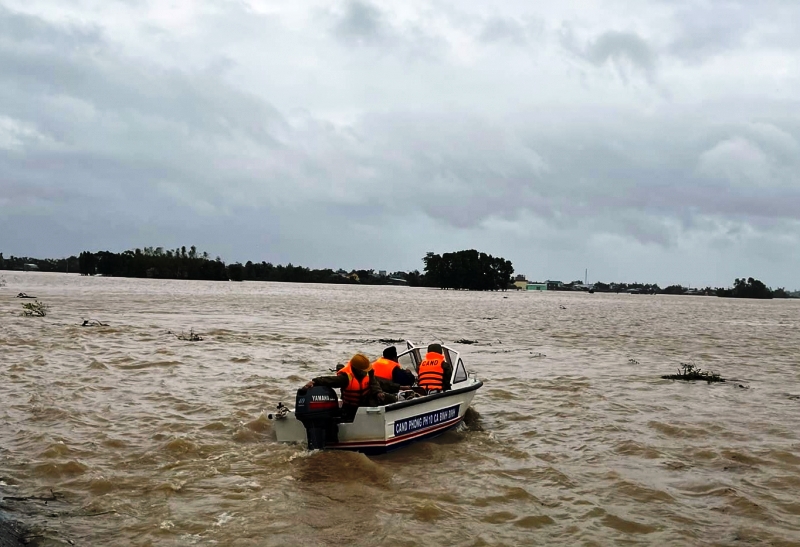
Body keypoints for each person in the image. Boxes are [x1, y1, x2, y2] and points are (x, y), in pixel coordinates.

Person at [303, 353, 395, 420]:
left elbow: (374, 383)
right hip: (351, 408)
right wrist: (314, 382)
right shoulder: (345, 378)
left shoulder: (369, 372)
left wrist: (378, 392)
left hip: (368, 402)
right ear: (357, 369)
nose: (365, 371)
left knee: (392, 399)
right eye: (363, 370)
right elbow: (329, 380)